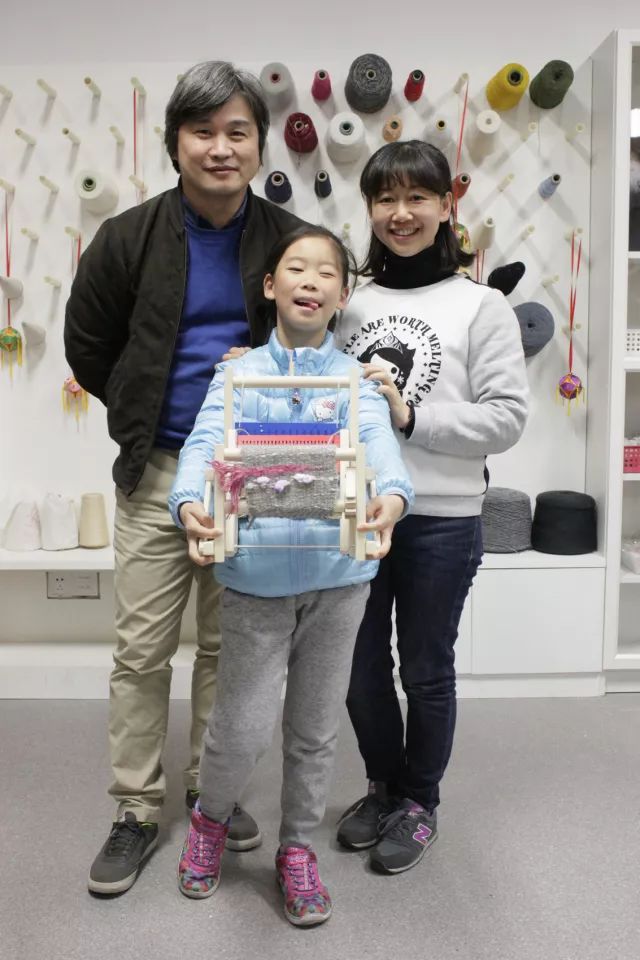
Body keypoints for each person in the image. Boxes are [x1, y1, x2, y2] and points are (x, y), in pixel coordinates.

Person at [64, 61, 306, 896]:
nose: (221, 147)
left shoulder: (290, 240)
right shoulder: (126, 237)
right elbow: (88, 343)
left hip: (253, 474)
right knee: (141, 649)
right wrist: (142, 407)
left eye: (238, 131)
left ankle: (211, 793)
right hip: (157, 467)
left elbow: (320, 337)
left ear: (259, 145)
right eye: (203, 131)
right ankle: (135, 808)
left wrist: (266, 370)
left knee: (226, 648)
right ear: (176, 144)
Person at [168, 225, 413, 926]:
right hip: (256, 582)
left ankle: (297, 848)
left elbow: (380, 448)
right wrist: (187, 503)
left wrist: (394, 497)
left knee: (313, 729)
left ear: (342, 295)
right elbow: (203, 444)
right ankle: (211, 820)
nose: (311, 280)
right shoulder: (236, 374)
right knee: (240, 728)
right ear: (271, 286)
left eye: (326, 272)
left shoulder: (356, 380)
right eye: (296, 268)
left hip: (339, 582)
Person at [333, 140, 529, 875]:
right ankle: (383, 787)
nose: (401, 213)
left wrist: (411, 419)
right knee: (358, 669)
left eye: (417, 197)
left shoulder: (481, 305)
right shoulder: (352, 303)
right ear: (370, 208)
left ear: (447, 205)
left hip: (442, 518)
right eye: (385, 198)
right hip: (358, 513)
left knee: (424, 667)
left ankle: (420, 801)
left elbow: (507, 417)